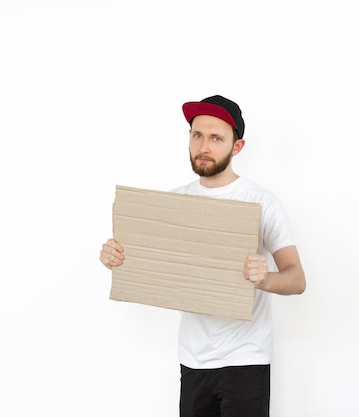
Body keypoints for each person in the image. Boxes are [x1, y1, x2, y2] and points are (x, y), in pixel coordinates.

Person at [99, 95, 306, 417]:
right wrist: (117, 258)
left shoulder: (261, 201)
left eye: (216, 138)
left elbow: (296, 279)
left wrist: (263, 278)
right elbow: (149, 266)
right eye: (197, 135)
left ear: (237, 147)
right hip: (192, 359)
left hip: (245, 359)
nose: (204, 146)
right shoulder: (174, 203)